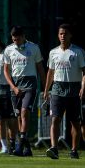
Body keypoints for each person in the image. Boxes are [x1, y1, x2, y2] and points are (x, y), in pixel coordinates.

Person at [3, 26, 46, 156]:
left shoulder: (34, 48)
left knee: (24, 112)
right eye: (13, 39)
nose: (16, 41)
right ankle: (27, 148)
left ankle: (20, 146)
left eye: (18, 39)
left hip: (30, 85)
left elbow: (40, 69)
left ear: (23, 36)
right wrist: (14, 87)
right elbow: (6, 71)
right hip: (15, 86)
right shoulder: (8, 50)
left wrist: (45, 88)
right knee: (19, 118)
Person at [44, 24, 85, 159]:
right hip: (57, 89)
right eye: (61, 34)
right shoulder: (53, 52)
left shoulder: (78, 52)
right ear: (58, 35)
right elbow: (50, 72)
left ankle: (74, 150)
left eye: (65, 34)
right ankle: (54, 148)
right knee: (55, 119)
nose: (63, 36)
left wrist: (83, 87)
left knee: (75, 122)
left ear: (70, 35)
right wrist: (46, 90)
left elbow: (84, 72)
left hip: (73, 89)